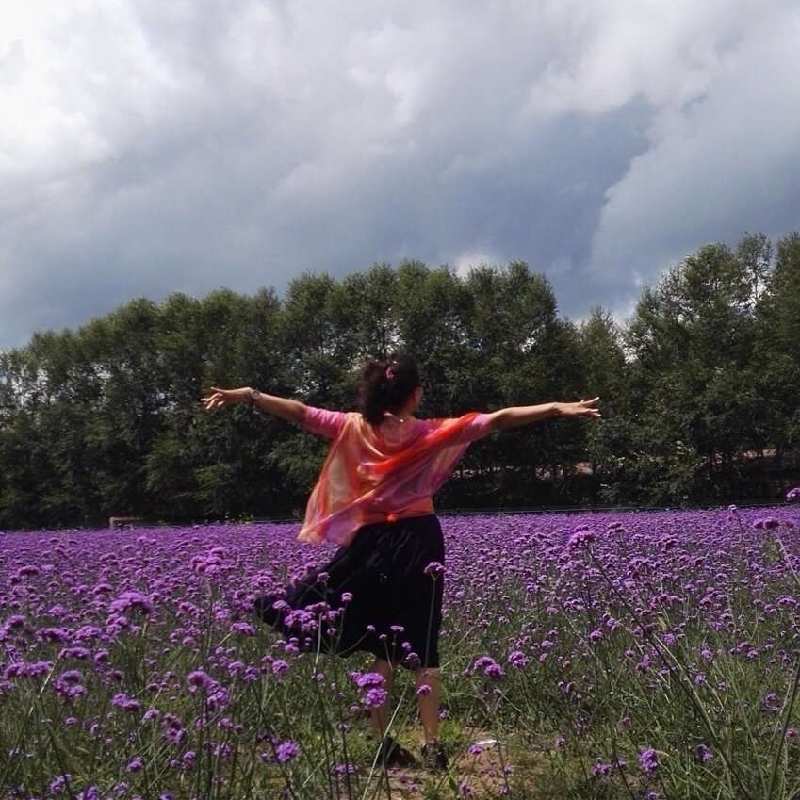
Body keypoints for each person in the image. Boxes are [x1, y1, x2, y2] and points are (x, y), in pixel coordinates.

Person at [202, 352, 600, 771]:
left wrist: (250, 395)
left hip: (371, 545)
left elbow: (300, 412)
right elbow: (497, 419)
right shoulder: (429, 433)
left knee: (381, 644)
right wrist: (556, 408)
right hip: (419, 542)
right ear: (414, 394)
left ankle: (382, 744)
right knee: (424, 645)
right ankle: (433, 747)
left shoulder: (353, 426)